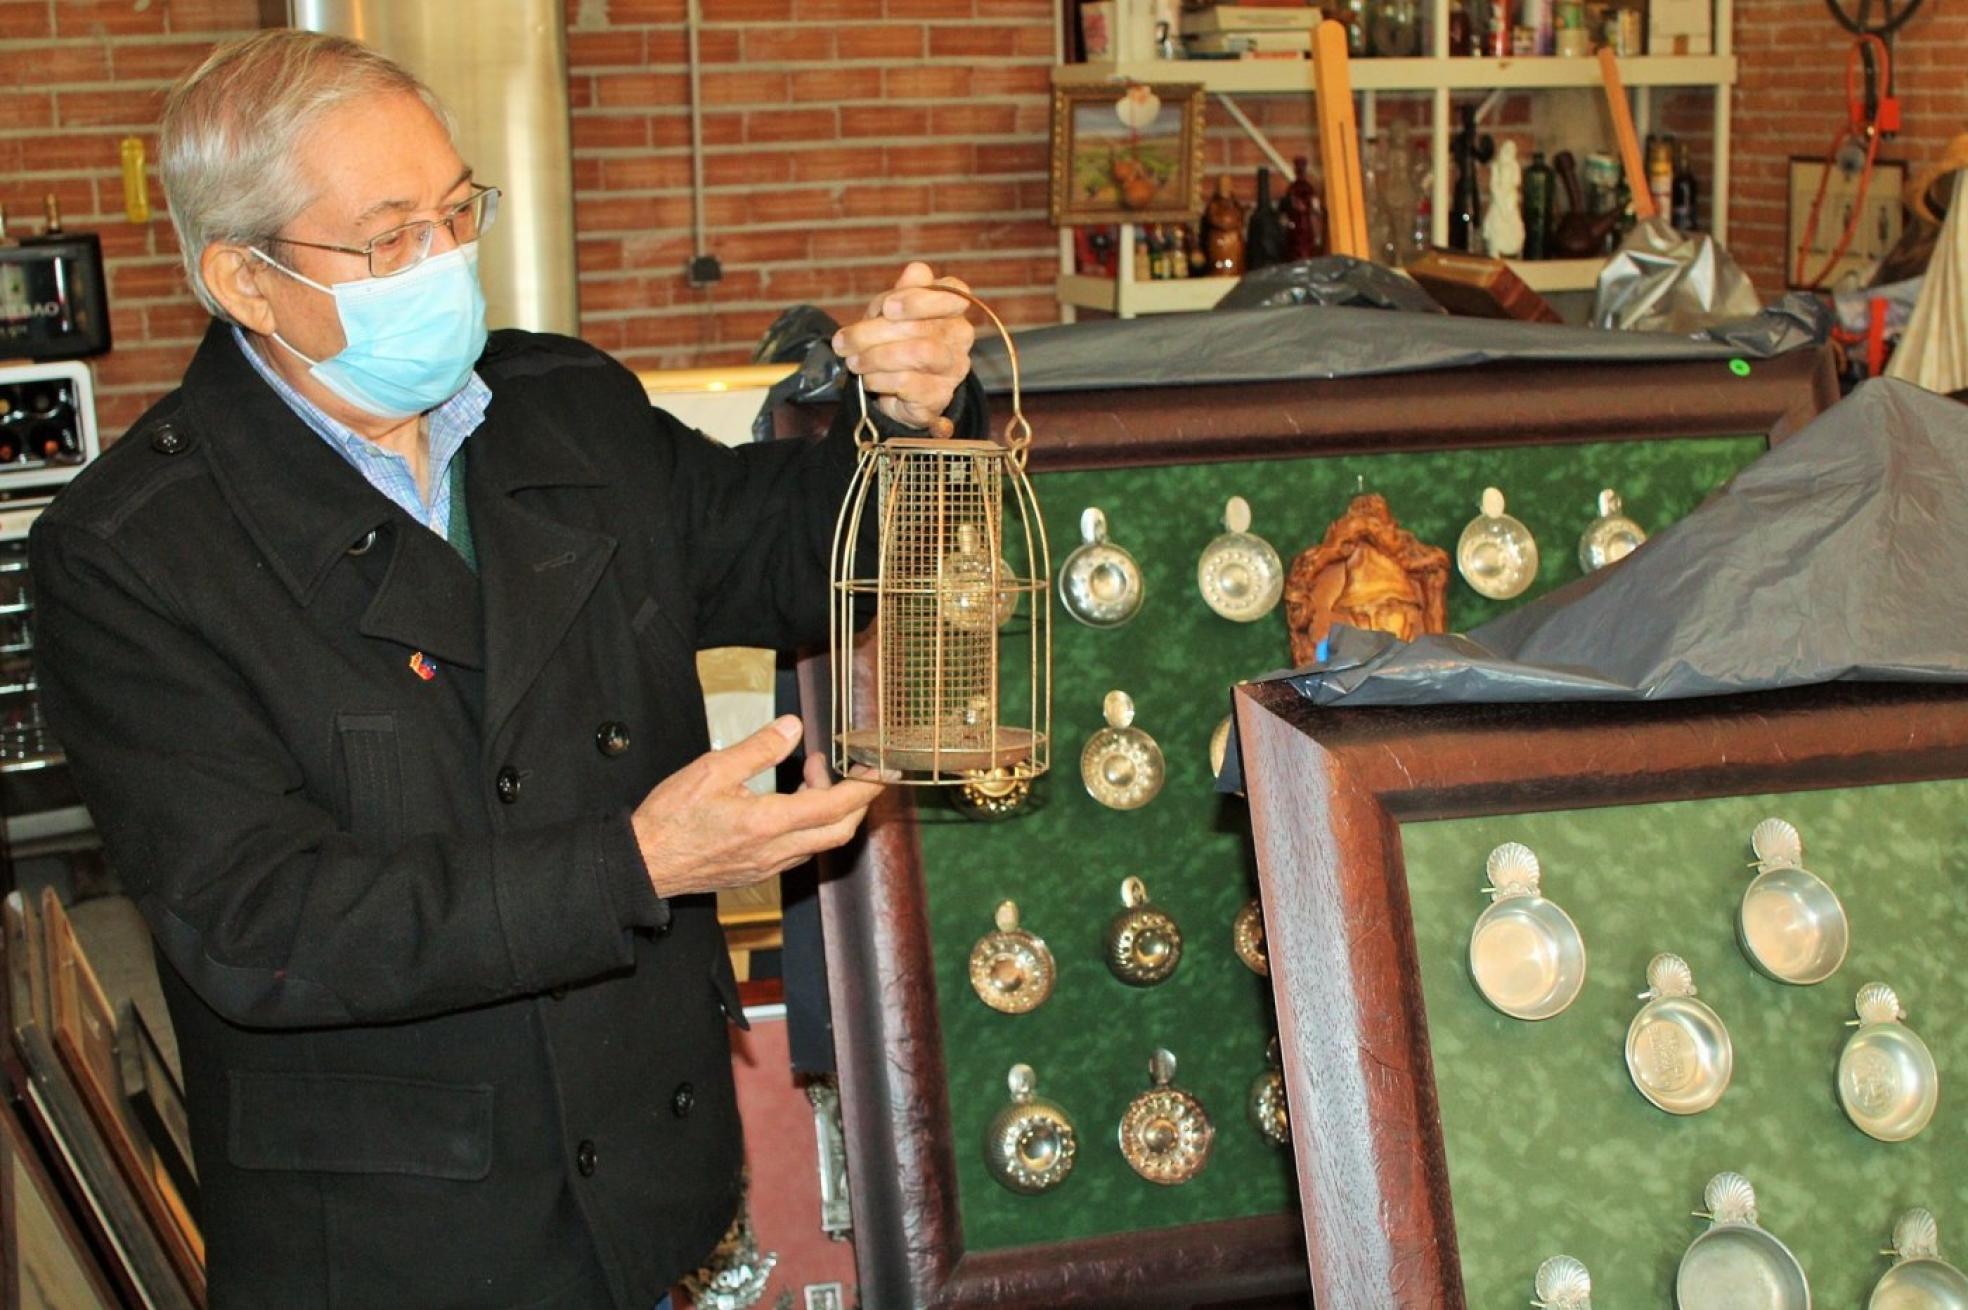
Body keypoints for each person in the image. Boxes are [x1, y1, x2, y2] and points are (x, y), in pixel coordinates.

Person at [30, 29, 977, 1310]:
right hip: (404, 1238)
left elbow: (788, 548)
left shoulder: (562, 405)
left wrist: (912, 420)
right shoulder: (133, 552)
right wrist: (633, 863)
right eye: (388, 239)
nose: (441, 261)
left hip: (645, 1183)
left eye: (455, 211)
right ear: (244, 280)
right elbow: (262, 922)